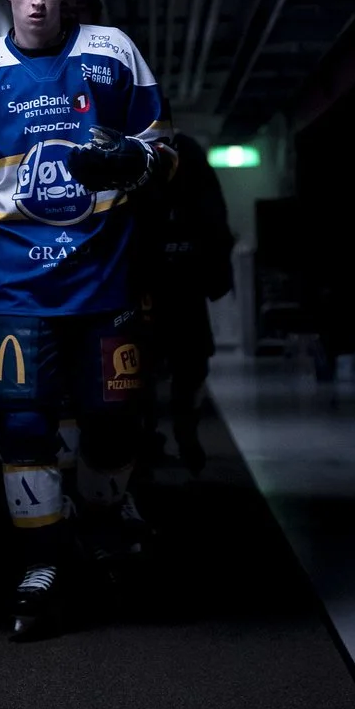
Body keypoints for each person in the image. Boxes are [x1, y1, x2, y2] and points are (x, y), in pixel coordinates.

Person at [0, 0, 176, 639]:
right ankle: (40, 565)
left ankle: (97, 523)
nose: (37, 0)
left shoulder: (112, 52)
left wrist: (133, 158)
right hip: (16, 283)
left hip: (105, 276)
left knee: (113, 424)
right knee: (22, 424)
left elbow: (166, 152)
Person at [142, 132, 233, 475]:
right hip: (184, 284)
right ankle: (183, 434)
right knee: (187, 368)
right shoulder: (190, 153)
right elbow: (215, 218)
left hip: (150, 285)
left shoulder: (138, 147)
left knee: (146, 369)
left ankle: (156, 435)